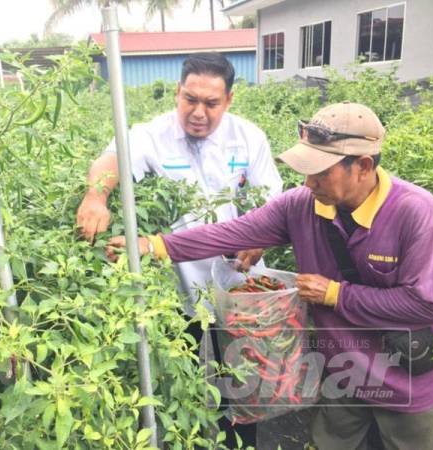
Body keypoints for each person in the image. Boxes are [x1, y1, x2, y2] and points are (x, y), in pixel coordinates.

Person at [107, 102, 433, 450]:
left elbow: (427, 305)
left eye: (321, 172)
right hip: (342, 377)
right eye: (305, 170)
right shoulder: (300, 205)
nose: (308, 182)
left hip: (402, 383)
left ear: (362, 166)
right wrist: (154, 245)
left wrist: (335, 294)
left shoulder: (416, 212)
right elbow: (234, 232)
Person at [77, 52, 282, 446]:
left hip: (237, 282)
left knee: (238, 379)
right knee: (177, 372)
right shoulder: (152, 135)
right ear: (177, 93)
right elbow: (111, 159)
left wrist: (262, 237)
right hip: (175, 284)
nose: (198, 112)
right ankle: (182, 437)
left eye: (211, 103)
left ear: (230, 100)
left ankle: (238, 442)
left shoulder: (249, 137)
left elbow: (272, 202)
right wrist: (95, 195)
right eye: (190, 99)